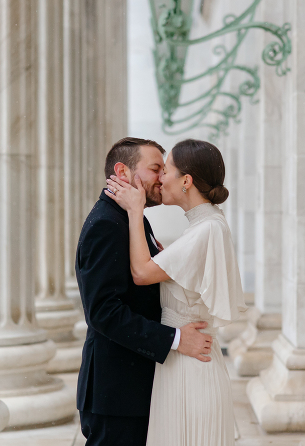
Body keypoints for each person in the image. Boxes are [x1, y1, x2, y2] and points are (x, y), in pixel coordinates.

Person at [105, 138, 247, 446]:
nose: (159, 179)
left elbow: (141, 273)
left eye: (164, 170)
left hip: (191, 367)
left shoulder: (207, 228)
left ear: (186, 180)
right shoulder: (204, 226)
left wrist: (134, 210)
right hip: (182, 362)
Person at [75, 137, 214, 446]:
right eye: (155, 168)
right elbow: (103, 313)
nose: (161, 177)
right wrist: (176, 339)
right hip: (117, 393)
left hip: (133, 386)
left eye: (165, 169)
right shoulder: (106, 224)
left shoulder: (132, 217)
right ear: (123, 172)